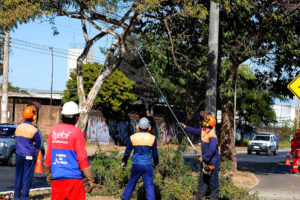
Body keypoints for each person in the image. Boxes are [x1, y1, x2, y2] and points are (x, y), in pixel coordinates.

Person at [44, 101, 94, 200]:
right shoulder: (77, 132)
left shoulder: (53, 131)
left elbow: (49, 156)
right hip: (74, 180)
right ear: (76, 117)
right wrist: (89, 179)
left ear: (62, 116)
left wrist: (49, 175)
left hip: (58, 180)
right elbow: (82, 158)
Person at [180, 114, 219, 200]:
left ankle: (214, 197)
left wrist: (204, 157)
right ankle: (199, 195)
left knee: (213, 179)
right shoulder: (204, 131)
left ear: (209, 124)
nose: (203, 122)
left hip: (213, 160)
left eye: (205, 121)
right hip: (206, 158)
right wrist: (185, 126)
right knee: (203, 177)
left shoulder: (212, 135)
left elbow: (212, 150)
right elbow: (194, 131)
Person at [121, 117, 159, 200]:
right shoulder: (152, 138)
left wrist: (124, 162)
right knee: (149, 186)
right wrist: (156, 164)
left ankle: (124, 198)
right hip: (148, 166)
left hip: (136, 165)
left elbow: (127, 152)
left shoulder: (133, 137)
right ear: (149, 127)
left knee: (131, 183)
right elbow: (155, 154)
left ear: (138, 126)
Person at [14, 106, 41, 200]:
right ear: (33, 117)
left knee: (18, 176)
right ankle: (24, 196)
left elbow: (17, 140)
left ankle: (16, 196)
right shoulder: (34, 130)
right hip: (29, 155)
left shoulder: (18, 127)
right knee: (27, 176)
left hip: (19, 155)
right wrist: (32, 142)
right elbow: (38, 144)